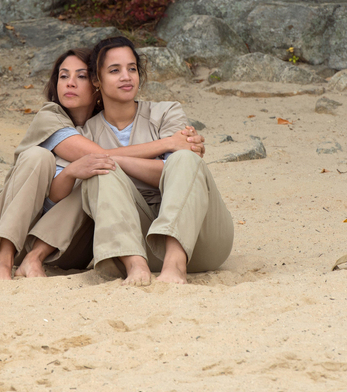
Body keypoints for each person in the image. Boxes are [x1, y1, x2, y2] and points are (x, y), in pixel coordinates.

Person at [0, 48, 205, 281]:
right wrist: (168, 143)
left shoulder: (102, 124)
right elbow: (103, 155)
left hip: (63, 246)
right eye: (63, 76)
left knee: (94, 174)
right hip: (5, 226)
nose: (70, 83)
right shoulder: (50, 117)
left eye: (80, 76)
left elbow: (100, 163)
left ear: (96, 84)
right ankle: (3, 261)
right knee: (43, 157)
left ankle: (34, 257)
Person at [79, 37, 234, 285]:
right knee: (99, 171)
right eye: (114, 70)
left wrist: (111, 157)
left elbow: (181, 169)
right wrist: (159, 150)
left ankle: (175, 265)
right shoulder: (85, 134)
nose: (126, 76)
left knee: (184, 159)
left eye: (132, 68)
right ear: (96, 79)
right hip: (138, 246)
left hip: (201, 242)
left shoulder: (166, 112)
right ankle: (135, 267)